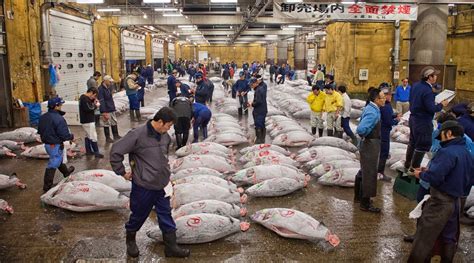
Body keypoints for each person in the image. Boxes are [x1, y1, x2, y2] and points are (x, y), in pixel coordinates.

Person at [110, 108, 190, 258]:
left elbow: (163, 158)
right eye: (169, 125)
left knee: (165, 214)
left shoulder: (165, 136)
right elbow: (116, 151)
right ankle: (131, 239)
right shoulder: (137, 135)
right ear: (160, 122)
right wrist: (122, 172)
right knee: (139, 214)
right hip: (144, 186)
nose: (169, 128)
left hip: (162, 184)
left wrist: (167, 176)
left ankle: (171, 247)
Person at [408, 121, 473, 262]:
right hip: (455, 202)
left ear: (449, 133)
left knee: (424, 237)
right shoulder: (466, 153)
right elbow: (465, 177)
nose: (441, 139)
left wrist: (421, 174)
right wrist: (429, 171)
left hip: (439, 202)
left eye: (442, 135)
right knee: (449, 237)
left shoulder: (446, 152)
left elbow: (435, 177)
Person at [402, 66, 449, 175]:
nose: (436, 77)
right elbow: (431, 108)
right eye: (435, 75)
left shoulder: (416, 85)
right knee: (423, 144)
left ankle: (408, 164)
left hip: (413, 118)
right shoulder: (427, 90)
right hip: (423, 121)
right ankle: (414, 169)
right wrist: (441, 105)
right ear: (429, 77)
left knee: (413, 142)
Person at [355, 88, 386, 213]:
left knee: (364, 171)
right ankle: (365, 204)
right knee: (369, 173)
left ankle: (358, 197)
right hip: (370, 144)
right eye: (383, 97)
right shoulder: (373, 112)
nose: (385, 99)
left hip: (369, 143)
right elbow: (361, 129)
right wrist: (367, 135)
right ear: (376, 99)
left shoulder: (371, 108)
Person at [38, 97, 75, 192]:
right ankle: (47, 186)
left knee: (58, 159)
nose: (61, 106)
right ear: (56, 106)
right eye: (60, 105)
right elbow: (64, 135)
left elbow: (40, 131)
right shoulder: (59, 119)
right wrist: (71, 136)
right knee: (53, 163)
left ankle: (66, 172)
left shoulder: (43, 117)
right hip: (55, 145)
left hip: (47, 145)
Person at [377, 86, 399, 182]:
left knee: (382, 152)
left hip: (381, 130)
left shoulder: (385, 105)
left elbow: (387, 116)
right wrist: (396, 120)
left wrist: (394, 115)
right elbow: (388, 121)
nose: (391, 97)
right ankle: (380, 173)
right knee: (384, 153)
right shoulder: (385, 106)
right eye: (389, 95)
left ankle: (378, 171)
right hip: (384, 132)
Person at [79, 87, 104, 158]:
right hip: (88, 121)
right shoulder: (84, 99)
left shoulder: (84, 98)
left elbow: (89, 105)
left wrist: (93, 101)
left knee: (88, 135)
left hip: (86, 120)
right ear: (90, 92)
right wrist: (96, 106)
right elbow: (89, 108)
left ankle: (88, 150)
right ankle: (96, 152)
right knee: (93, 136)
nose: (94, 97)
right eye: (94, 95)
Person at [98, 75, 121, 143]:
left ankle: (116, 135)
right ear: (105, 81)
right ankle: (107, 138)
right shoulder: (101, 89)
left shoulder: (108, 87)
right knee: (106, 123)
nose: (111, 83)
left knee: (114, 121)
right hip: (106, 109)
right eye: (110, 82)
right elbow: (101, 101)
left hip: (111, 108)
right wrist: (103, 111)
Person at [248, 77, 267, 144]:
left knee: (258, 124)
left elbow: (258, 101)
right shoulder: (260, 89)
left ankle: (259, 140)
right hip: (262, 109)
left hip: (259, 110)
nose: (251, 86)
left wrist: (252, 104)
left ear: (256, 83)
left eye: (252, 84)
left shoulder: (258, 90)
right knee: (262, 124)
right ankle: (262, 139)